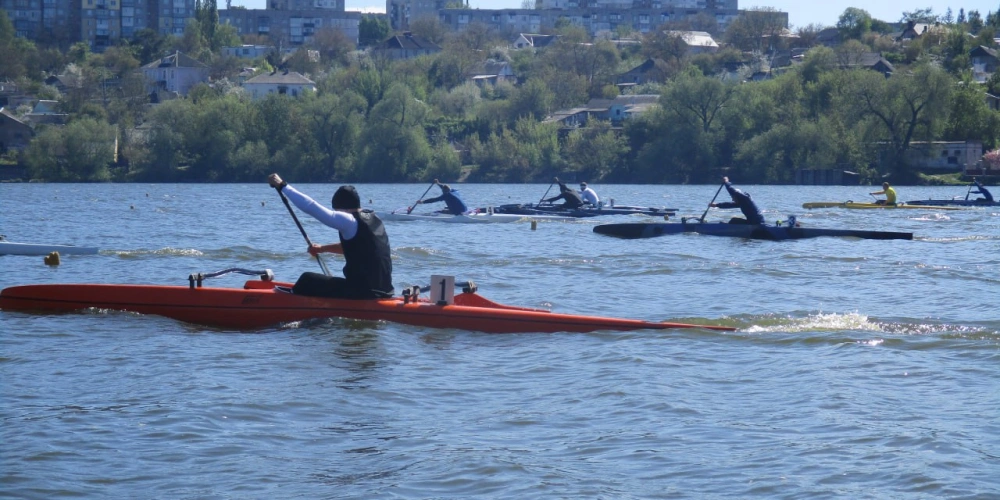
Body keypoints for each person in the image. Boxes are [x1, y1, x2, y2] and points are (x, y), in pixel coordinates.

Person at [268, 173, 393, 299]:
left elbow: (311, 207)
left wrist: (283, 186)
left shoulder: (348, 220)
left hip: (361, 292)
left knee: (307, 280)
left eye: (336, 210)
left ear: (341, 209)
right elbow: (353, 248)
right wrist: (322, 248)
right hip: (385, 290)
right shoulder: (374, 219)